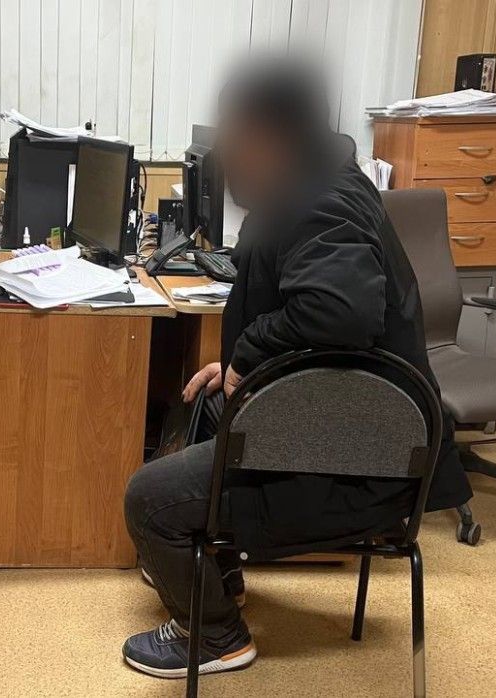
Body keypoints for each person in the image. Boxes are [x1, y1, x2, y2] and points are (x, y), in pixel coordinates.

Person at [121, 60, 472, 678]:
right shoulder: (314, 183)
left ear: (269, 138)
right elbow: (309, 308)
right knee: (205, 407)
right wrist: (241, 366)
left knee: (149, 500)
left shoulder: (321, 205)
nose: (224, 156)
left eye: (232, 138)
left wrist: (249, 356)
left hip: (363, 463)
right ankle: (218, 578)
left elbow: (338, 311)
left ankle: (216, 637)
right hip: (352, 427)